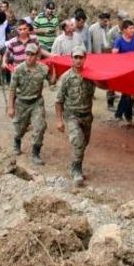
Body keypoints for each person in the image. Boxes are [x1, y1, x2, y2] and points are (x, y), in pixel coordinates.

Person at [55, 45, 104, 185]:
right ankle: (76, 170)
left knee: (84, 143)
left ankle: (75, 166)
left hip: (87, 116)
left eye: (80, 57)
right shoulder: (66, 77)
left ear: (85, 59)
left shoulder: (90, 74)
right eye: (75, 57)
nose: (78, 60)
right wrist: (59, 120)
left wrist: (96, 79)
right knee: (78, 142)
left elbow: (105, 86)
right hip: (71, 115)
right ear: (71, 59)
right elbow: (58, 101)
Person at [8, 42, 51, 165]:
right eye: (27, 54)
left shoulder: (43, 68)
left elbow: (52, 82)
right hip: (21, 102)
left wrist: (54, 73)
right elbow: (12, 89)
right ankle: (17, 141)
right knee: (19, 129)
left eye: (32, 54)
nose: (29, 57)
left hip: (36, 102)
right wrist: (10, 107)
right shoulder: (18, 69)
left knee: (40, 126)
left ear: (37, 55)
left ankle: (35, 153)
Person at [112, 20, 134, 124]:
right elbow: (114, 55)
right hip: (123, 72)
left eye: (133, 28)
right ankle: (124, 116)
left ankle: (122, 115)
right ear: (124, 30)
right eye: (130, 28)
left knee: (131, 94)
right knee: (127, 93)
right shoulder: (119, 41)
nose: (133, 30)